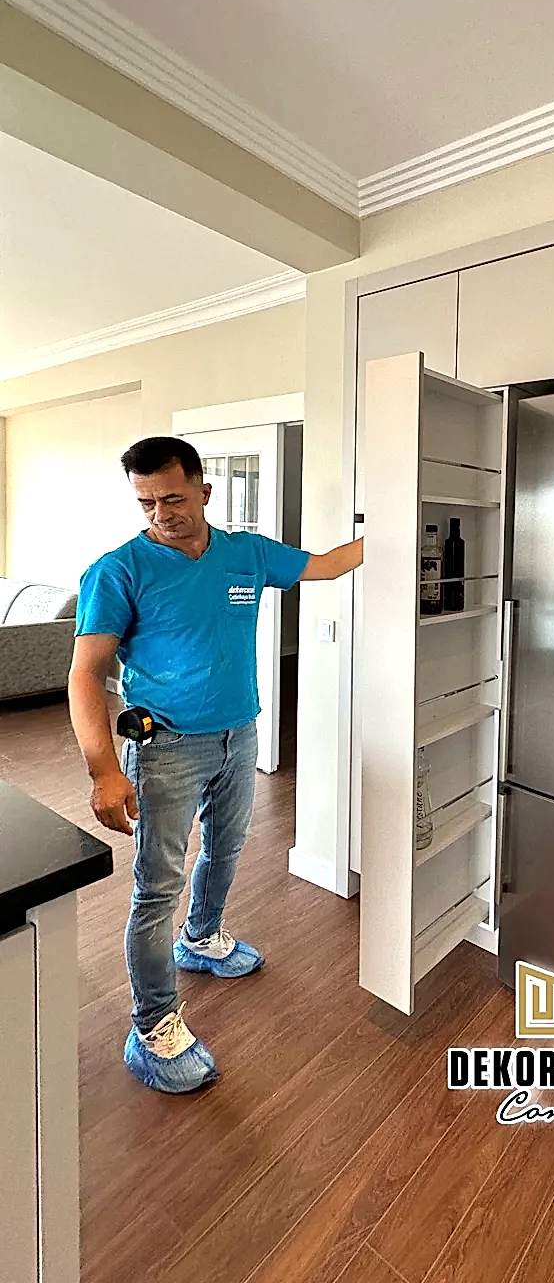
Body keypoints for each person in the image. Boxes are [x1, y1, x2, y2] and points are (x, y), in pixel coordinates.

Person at [68, 436, 364, 1094]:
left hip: (239, 733)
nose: (161, 514)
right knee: (158, 886)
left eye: (173, 498)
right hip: (165, 746)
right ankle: (153, 1027)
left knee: (227, 849)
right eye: (146, 502)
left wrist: (397, 524)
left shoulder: (246, 554)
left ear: (204, 491)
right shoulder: (118, 571)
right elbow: (86, 673)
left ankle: (201, 939)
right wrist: (103, 769)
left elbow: (326, 565)